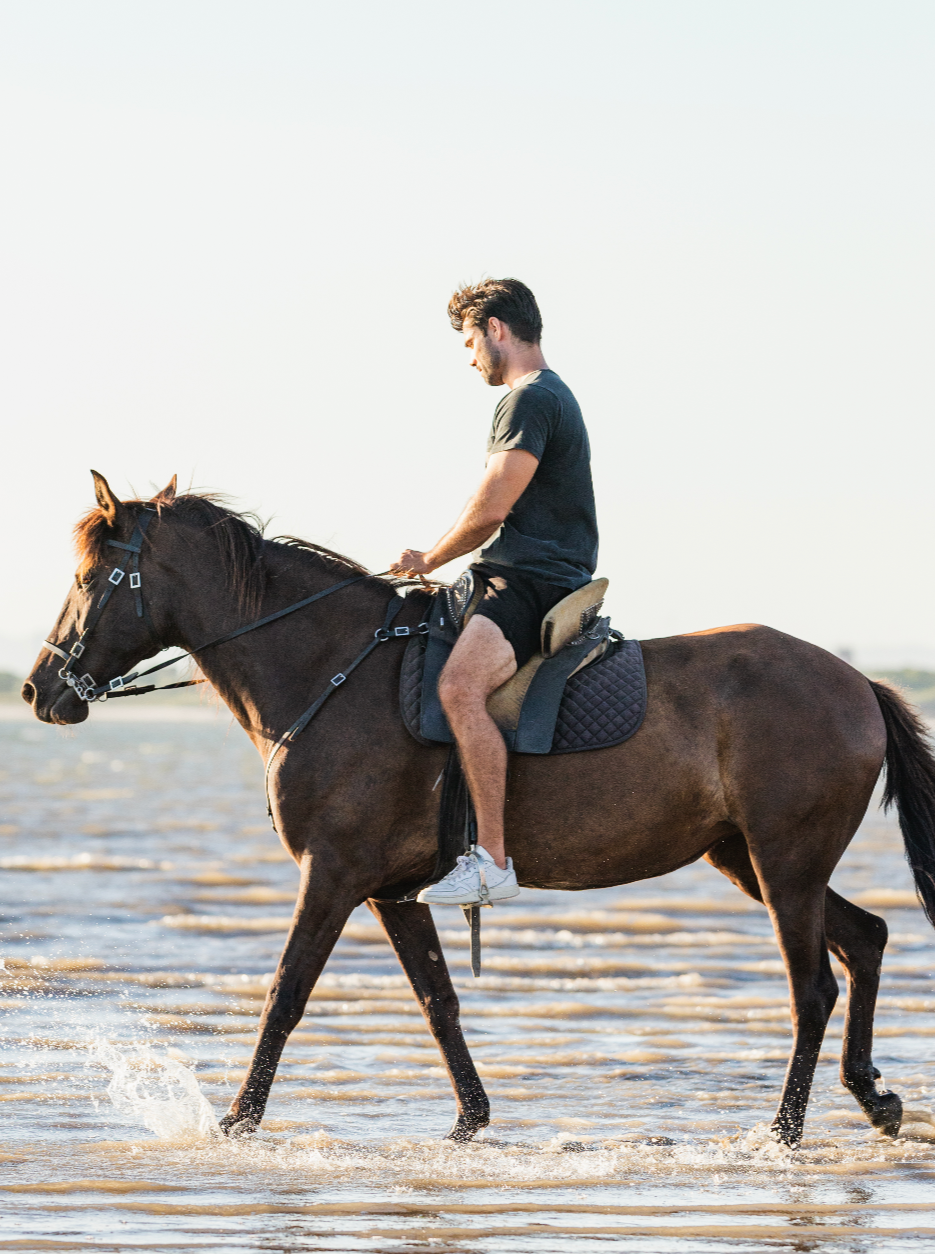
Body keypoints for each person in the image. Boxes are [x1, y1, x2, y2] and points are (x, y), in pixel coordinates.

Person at [391, 278, 599, 904]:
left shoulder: (529, 399)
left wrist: (428, 558)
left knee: (458, 689)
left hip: (527, 580)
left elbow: (491, 507)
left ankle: (492, 863)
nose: (469, 355)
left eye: (469, 340)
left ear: (497, 330)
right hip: (530, 574)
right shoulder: (550, 395)